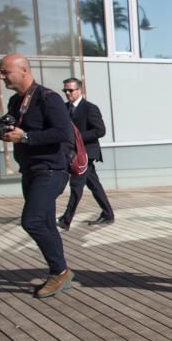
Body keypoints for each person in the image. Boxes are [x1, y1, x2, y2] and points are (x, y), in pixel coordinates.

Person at [0, 54, 75, 298]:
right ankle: (59, 271)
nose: (1, 76)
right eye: (0, 72)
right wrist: (2, 131)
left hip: (51, 170)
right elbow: (17, 129)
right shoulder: (15, 101)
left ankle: (60, 271)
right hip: (30, 170)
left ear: (23, 70)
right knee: (47, 222)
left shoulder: (48, 98)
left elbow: (64, 133)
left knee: (32, 221)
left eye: (5, 71)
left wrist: (26, 137)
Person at [58, 77, 113, 230]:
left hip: (87, 153)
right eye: (65, 90)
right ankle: (108, 214)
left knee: (76, 185)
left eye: (71, 90)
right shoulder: (63, 108)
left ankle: (66, 219)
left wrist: (78, 138)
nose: (67, 93)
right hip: (73, 154)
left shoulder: (90, 108)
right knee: (94, 185)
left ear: (79, 90)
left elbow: (100, 130)